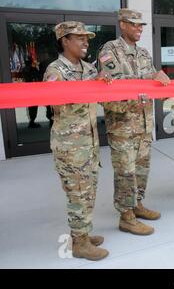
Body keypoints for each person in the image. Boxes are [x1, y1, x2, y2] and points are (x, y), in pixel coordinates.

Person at [98, 8, 170, 236]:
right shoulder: (109, 51)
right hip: (122, 125)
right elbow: (114, 84)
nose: (139, 28)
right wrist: (148, 78)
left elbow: (151, 81)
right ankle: (126, 216)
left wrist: (160, 78)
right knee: (125, 172)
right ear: (122, 24)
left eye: (141, 25)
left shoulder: (144, 53)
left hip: (144, 124)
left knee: (141, 169)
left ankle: (137, 205)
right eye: (134, 24)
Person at [44, 21, 111, 261]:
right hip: (70, 147)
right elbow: (57, 101)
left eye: (87, 38)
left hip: (90, 143)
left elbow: (100, 97)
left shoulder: (89, 69)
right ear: (65, 41)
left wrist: (105, 83)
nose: (86, 42)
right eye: (79, 38)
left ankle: (82, 233)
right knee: (77, 194)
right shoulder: (55, 70)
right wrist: (91, 85)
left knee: (89, 191)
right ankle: (80, 243)